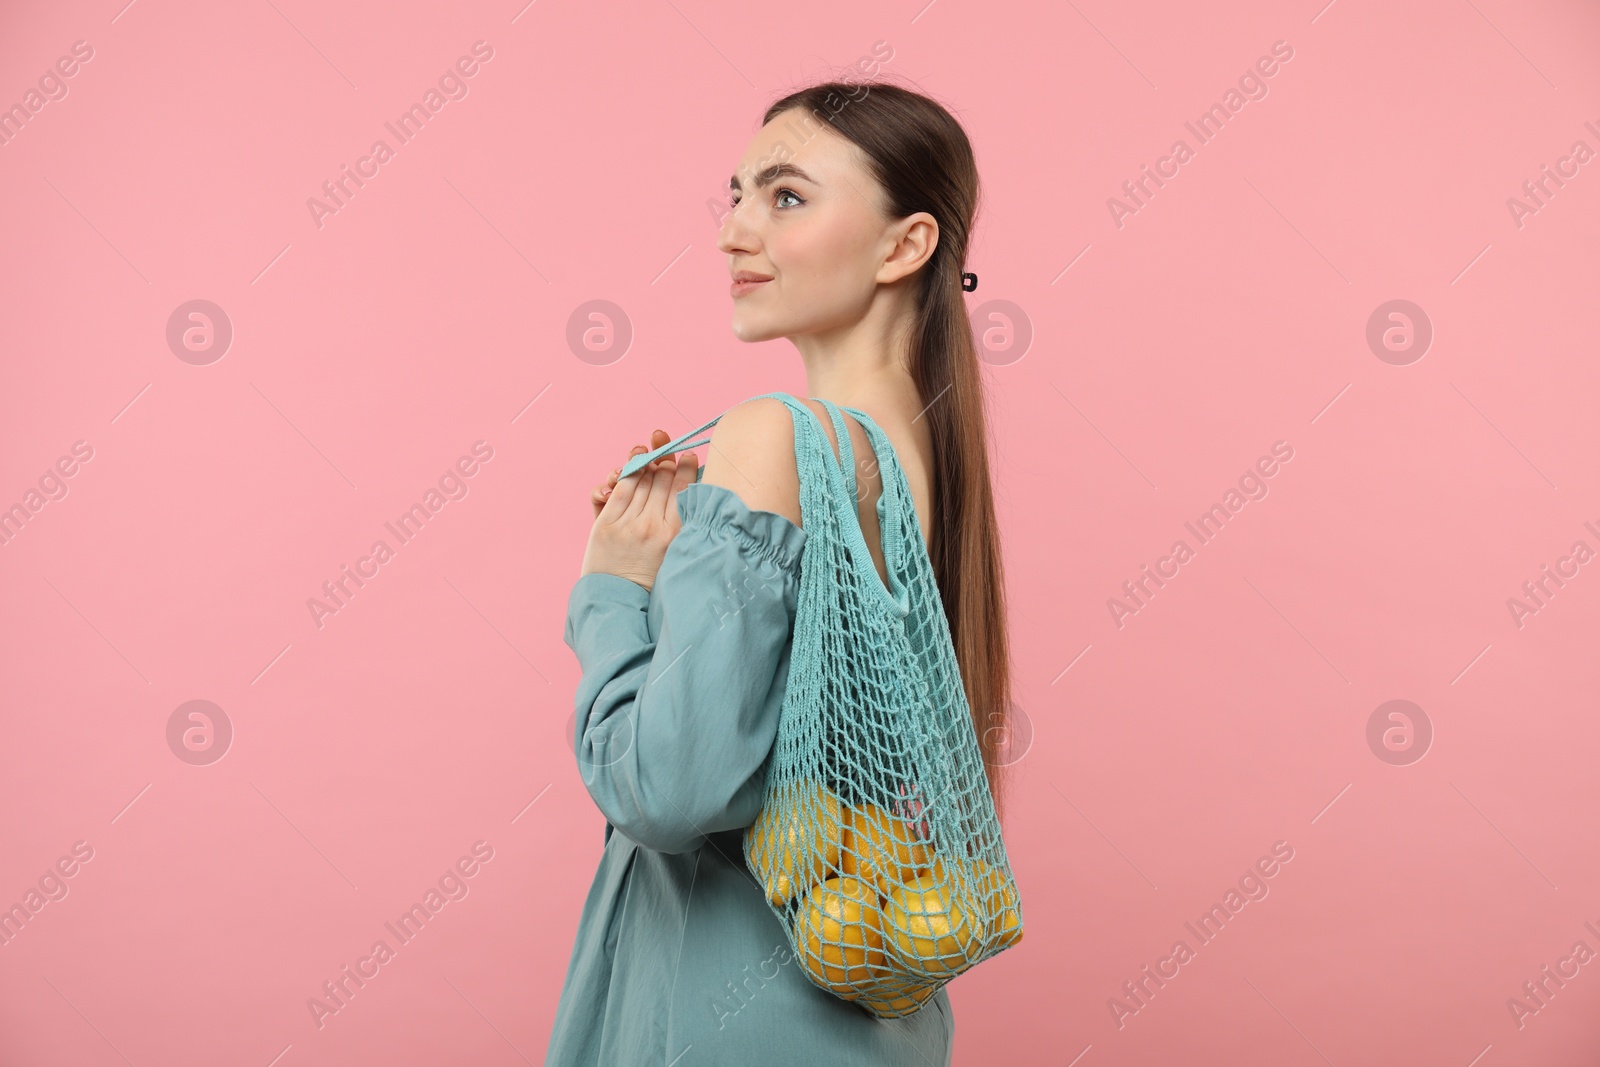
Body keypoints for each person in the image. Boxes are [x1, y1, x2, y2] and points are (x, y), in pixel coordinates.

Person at [546, 79, 1013, 1066]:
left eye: (786, 196)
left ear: (904, 244)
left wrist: (616, 589)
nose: (731, 233)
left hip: (721, 1020)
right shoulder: (920, 458)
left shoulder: (773, 439)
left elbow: (667, 793)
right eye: (737, 194)